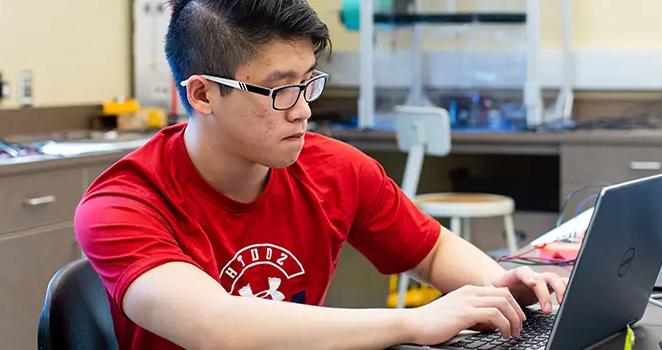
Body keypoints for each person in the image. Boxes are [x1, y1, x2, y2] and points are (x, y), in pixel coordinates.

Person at [75, 1, 567, 348]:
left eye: (309, 81)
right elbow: (216, 328)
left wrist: (499, 289)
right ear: (203, 95)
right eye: (280, 89)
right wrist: (412, 323)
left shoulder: (334, 167)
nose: (303, 110)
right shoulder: (123, 205)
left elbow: (431, 249)